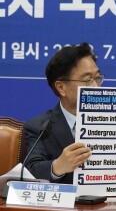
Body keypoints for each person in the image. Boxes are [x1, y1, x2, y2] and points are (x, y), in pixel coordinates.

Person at [23, 43, 98, 183]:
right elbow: (30, 170)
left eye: (98, 78)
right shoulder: (39, 127)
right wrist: (57, 167)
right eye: (88, 80)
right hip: (65, 202)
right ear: (61, 87)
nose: (96, 87)